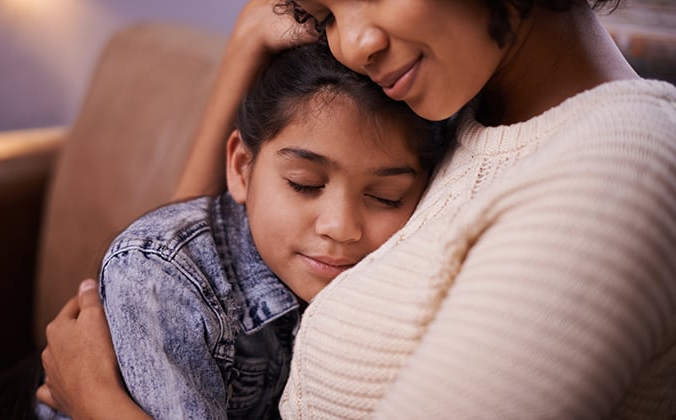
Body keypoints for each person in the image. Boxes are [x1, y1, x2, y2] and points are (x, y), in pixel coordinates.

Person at [39, 0, 676, 418]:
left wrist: (98, 400)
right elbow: (214, 250)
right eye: (326, 13)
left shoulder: (617, 163)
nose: (354, 45)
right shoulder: (459, 114)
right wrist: (244, 48)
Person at [35, 42, 440, 420]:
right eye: (304, 183)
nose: (340, 227)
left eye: (387, 197)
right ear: (241, 168)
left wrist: (93, 400)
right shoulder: (160, 276)